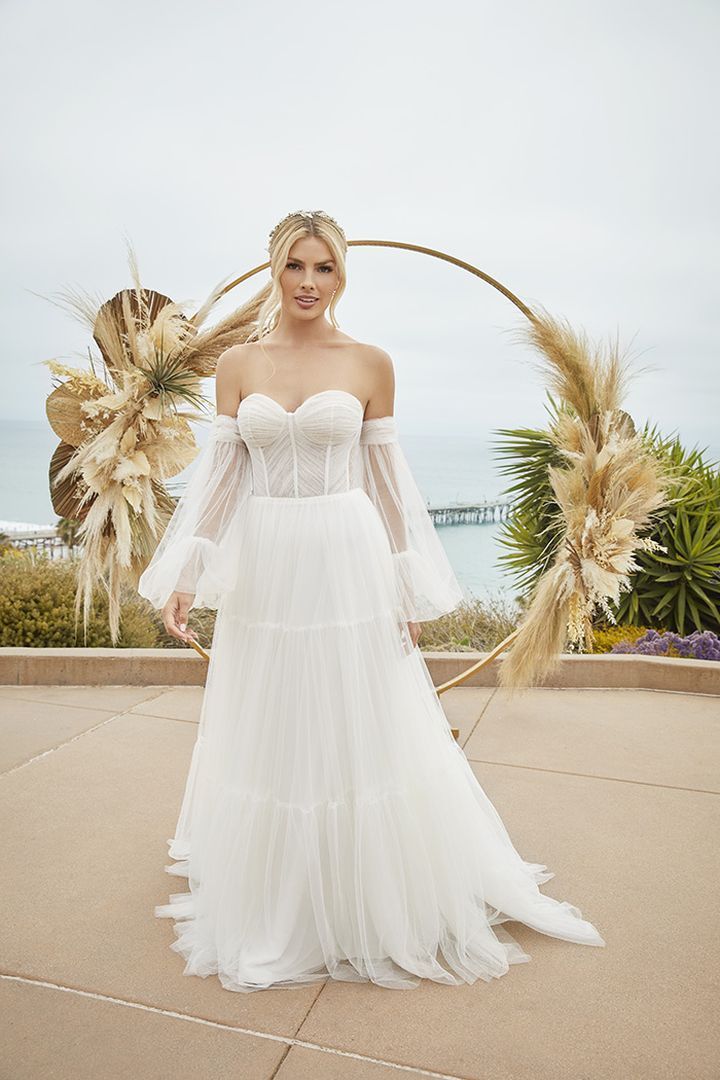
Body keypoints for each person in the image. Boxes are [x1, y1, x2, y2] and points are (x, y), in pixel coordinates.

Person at [138, 209, 605, 993]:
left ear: (342, 274)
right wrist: (186, 571)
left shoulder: (370, 363)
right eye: (296, 266)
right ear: (274, 270)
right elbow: (221, 481)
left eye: (324, 268)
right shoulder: (240, 365)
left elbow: (389, 486)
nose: (309, 282)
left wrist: (406, 579)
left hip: (346, 558)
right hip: (269, 563)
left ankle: (366, 892)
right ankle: (282, 891)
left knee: (360, 716)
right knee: (276, 717)